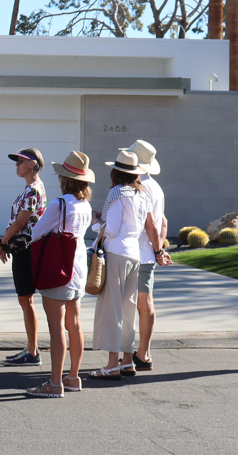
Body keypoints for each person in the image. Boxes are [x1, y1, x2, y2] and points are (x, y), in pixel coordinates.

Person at [26, 151, 96, 398]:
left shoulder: (60, 203)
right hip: (77, 266)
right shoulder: (85, 205)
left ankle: (55, 383)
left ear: (65, 178)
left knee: (56, 327)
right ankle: (73, 377)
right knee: (74, 324)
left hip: (58, 267)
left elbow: (37, 233)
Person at [89, 150, 150, 379]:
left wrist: (96, 223)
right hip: (135, 254)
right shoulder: (140, 194)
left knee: (111, 308)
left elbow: (111, 229)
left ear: (116, 172)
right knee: (128, 309)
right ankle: (127, 360)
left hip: (116, 253)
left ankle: (112, 364)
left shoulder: (117, 193)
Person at [0, 148, 47, 366]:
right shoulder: (32, 189)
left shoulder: (32, 190)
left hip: (26, 250)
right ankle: (31, 348)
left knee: (26, 299)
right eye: (16, 161)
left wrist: (2, 242)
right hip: (24, 248)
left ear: (33, 164)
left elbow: (20, 223)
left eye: (21, 161)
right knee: (25, 299)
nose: (16, 164)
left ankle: (32, 351)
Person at [123, 140, 170, 371]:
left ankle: (143, 354)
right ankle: (143, 352)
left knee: (141, 304)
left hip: (139, 254)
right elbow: (163, 223)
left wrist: (157, 249)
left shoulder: (143, 187)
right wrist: (158, 250)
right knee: (145, 303)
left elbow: (151, 224)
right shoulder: (157, 187)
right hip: (147, 254)